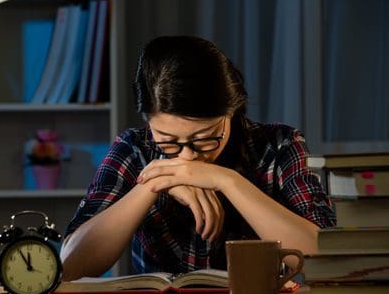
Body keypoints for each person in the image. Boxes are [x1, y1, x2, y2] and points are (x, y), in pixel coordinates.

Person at [60, 35, 336, 281]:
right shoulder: (134, 148)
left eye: (205, 138)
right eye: (168, 141)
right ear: (148, 121)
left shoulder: (279, 145)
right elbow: (69, 266)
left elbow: (326, 259)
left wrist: (228, 181)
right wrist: (152, 184)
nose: (187, 156)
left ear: (232, 111)